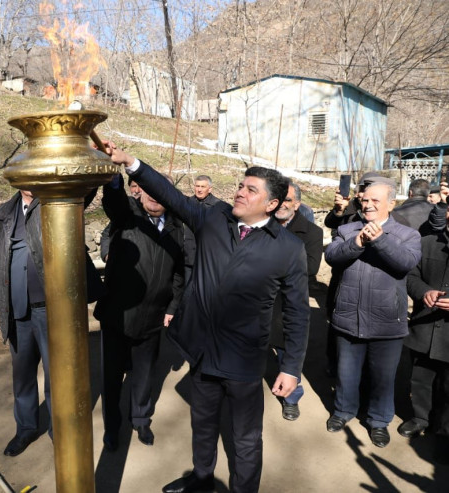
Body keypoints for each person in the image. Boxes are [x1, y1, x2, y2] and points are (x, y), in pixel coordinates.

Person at [105, 142, 309, 493]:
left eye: (250, 190)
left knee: (245, 439)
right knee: (202, 425)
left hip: (244, 360)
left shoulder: (288, 249)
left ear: (272, 204)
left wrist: (290, 368)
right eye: (241, 186)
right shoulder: (213, 218)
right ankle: (201, 480)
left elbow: (298, 312)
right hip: (201, 352)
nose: (240, 193)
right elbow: (169, 194)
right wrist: (132, 164)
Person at [0, 188, 103, 457]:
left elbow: (88, 189)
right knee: (22, 376)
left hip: (52, 311)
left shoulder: (58, 204)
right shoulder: (1, 215)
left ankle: (59, 432)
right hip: (16, 312)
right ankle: (25, 428)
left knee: (56, 375)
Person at [324, 178, 421, 448]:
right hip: (348, 316)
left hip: (387, 320)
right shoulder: (347, 229)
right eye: (364, 200)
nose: (367, 205)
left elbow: (405, 264)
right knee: (346, 372)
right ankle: (343, 411)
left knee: (382, 376)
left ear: (391, 204)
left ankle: (379, 421)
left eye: (375, 201)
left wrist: (378, 240)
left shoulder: (406, 235)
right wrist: (356, 242)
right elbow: (331, 257)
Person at [96, 174, 184, 451]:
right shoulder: (128, 216)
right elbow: (114, 202)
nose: (154, 196)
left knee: (145, 374)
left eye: (161, 190)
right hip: (118, 316)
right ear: (141, 192)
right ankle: (112, 427)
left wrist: (172, 306)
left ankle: (141, 419)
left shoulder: (178, 228)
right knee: (112, 377)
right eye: (149, 189)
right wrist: (112, 182)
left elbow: (180, 274)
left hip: (154, 317)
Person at [399, 207, 449, 464]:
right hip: (424, 326)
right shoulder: (427, 241)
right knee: (421, 378)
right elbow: (411, 275)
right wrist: (424, 292)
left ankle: (444, 432)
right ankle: (420, 418)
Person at [270, 181, 324, 421]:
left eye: (288, 200)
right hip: (260, 298)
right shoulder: (262, 225)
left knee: (286, 351)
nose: (282, 205)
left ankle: (292, 397)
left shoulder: (312, 232)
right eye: (279, 199)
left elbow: (310, 268)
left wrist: (269, 266)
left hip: (288, 300)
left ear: (298, 204)